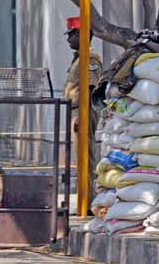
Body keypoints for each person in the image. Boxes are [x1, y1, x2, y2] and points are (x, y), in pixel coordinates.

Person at [63, 16, 103, 206]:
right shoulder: (79, 58)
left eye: (71, 35)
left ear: (81, 34)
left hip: (83, 111)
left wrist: (82, 116)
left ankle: (87, 202)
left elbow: (89, 88)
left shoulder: (90, 58)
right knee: (80, 158)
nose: (68, 39)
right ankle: (84, 200)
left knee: (85, 158)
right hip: (77, 111)